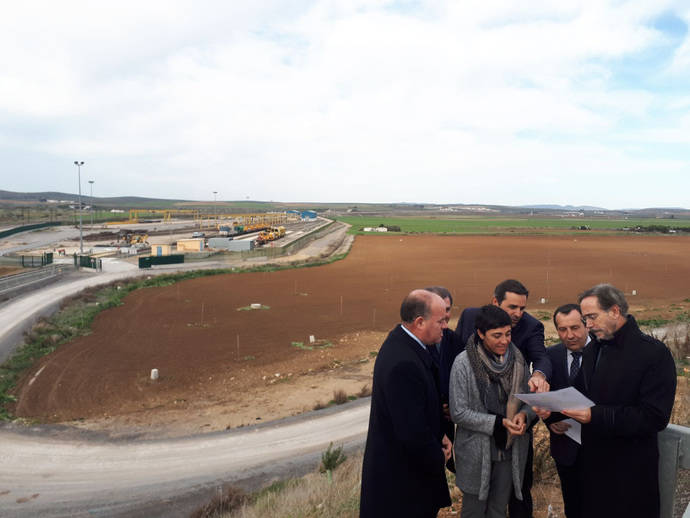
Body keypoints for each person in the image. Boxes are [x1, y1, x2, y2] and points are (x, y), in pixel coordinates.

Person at [535, 284, 677, 518]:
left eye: (592, 317)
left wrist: (595, 415)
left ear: (614, 311)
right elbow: (578, 396)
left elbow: (654, 417)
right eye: (585, 318)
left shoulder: (653, 354)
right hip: (592, 470)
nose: (588, 325)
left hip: (630, 475)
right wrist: (550, 410)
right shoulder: (594, 350)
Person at [455, 279, 550, 518]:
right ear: (481, 333)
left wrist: (523, 416)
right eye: (497, 335)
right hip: (478, 451)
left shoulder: (518, 358)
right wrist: (497, 423)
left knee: (502, 507)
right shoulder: (464, 361)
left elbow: (529, 394)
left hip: (511, 448)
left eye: (508, 334)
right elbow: (460, 410)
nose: (505, 341)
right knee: (474, 511)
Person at [360, 289, 452, 518]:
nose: (446, 326)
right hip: (402, 487)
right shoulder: (404, 363)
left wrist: (439, 433)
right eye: (441, 321)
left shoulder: (406, 344)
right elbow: (412, 431)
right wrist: (438, 456)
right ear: (420, 322)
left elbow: (421, 407)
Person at [543, 304, 590, 518]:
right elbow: (546, 397)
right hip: (566, 449)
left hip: (600, 450)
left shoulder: (606, 353)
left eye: (575, 327)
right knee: (573, 506)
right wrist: (550, 421)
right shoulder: (550, 356)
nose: (569, 335)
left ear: (587, 325)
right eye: (562, 329)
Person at [425, 286, 465, 471]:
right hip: (425, 424)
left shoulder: (454, 340)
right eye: (440, 310)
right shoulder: (417, 344)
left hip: (449, 421)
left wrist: (453, 404)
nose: (445, 315)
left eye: (448, 309)